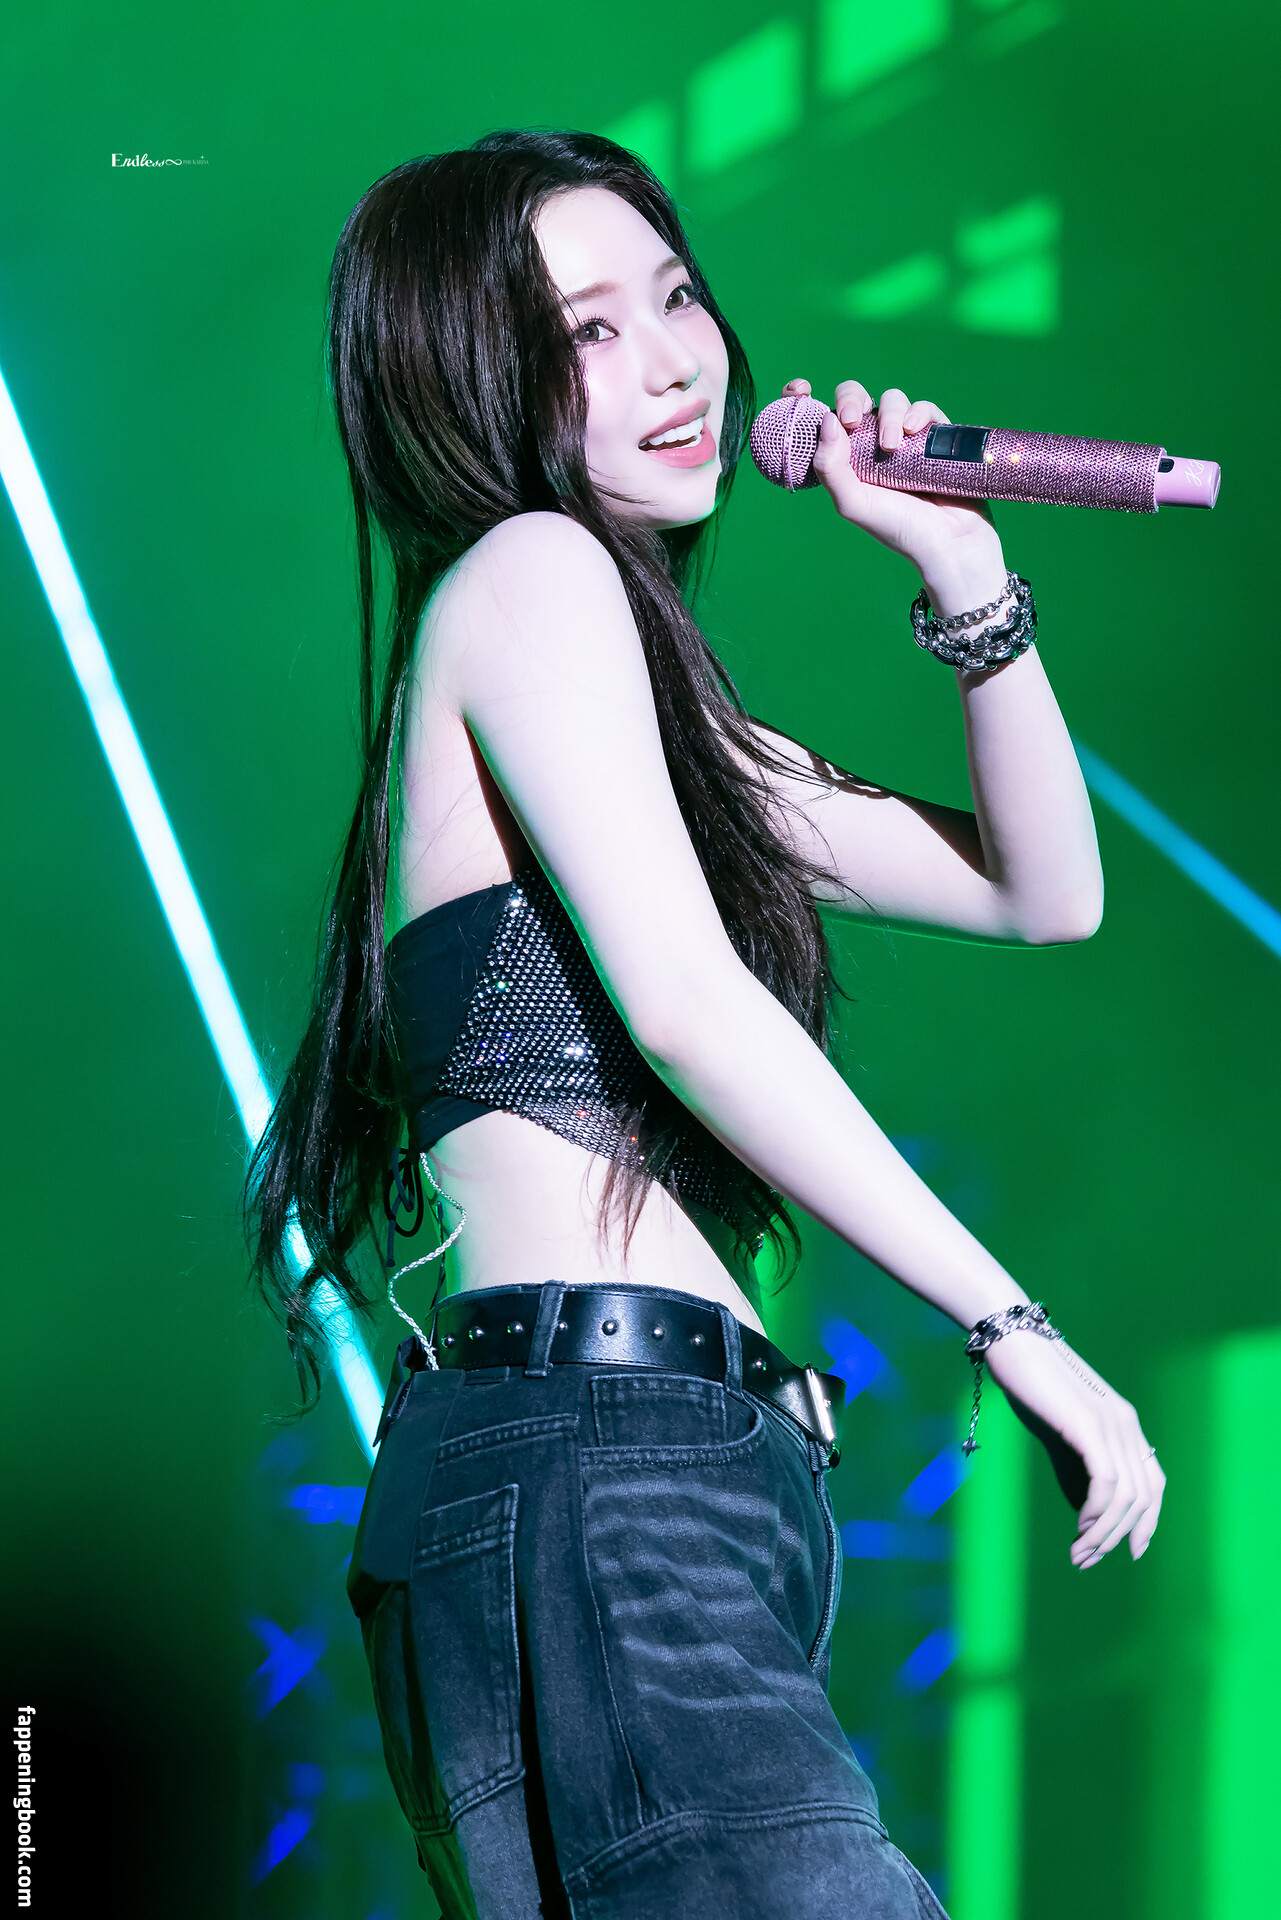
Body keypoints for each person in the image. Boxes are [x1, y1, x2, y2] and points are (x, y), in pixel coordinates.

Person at [247, 128, 1165, 1918]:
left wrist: (959, 568)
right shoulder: (530, 573)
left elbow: (1041, 892)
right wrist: (1010, 1325)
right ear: (467, 378)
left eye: (676, 298)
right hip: (608, 1467)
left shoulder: (646, 704)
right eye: (587, 332)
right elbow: (682, 1003)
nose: (675, 362)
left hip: (643, 1476)